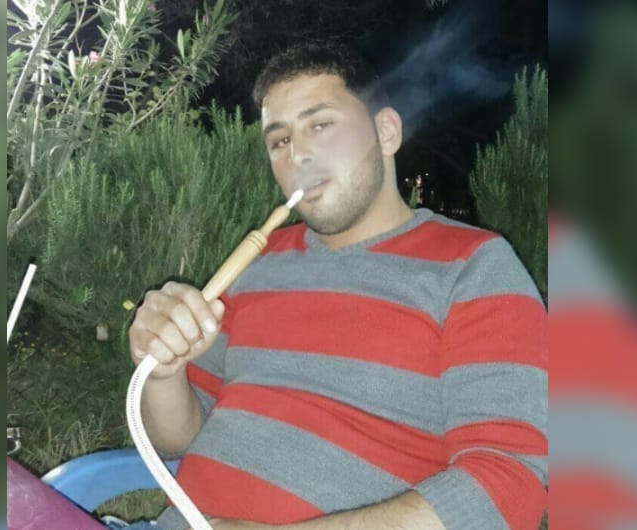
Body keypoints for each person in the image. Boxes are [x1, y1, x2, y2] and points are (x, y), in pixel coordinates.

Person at [125, 42, 547, 530]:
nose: (298, 155)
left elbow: (509, 484)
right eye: (279, 141)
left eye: (320, 125)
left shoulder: (474, 268)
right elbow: (177, 437)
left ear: (385, 132)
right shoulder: (257, 265)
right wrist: (164, 370)